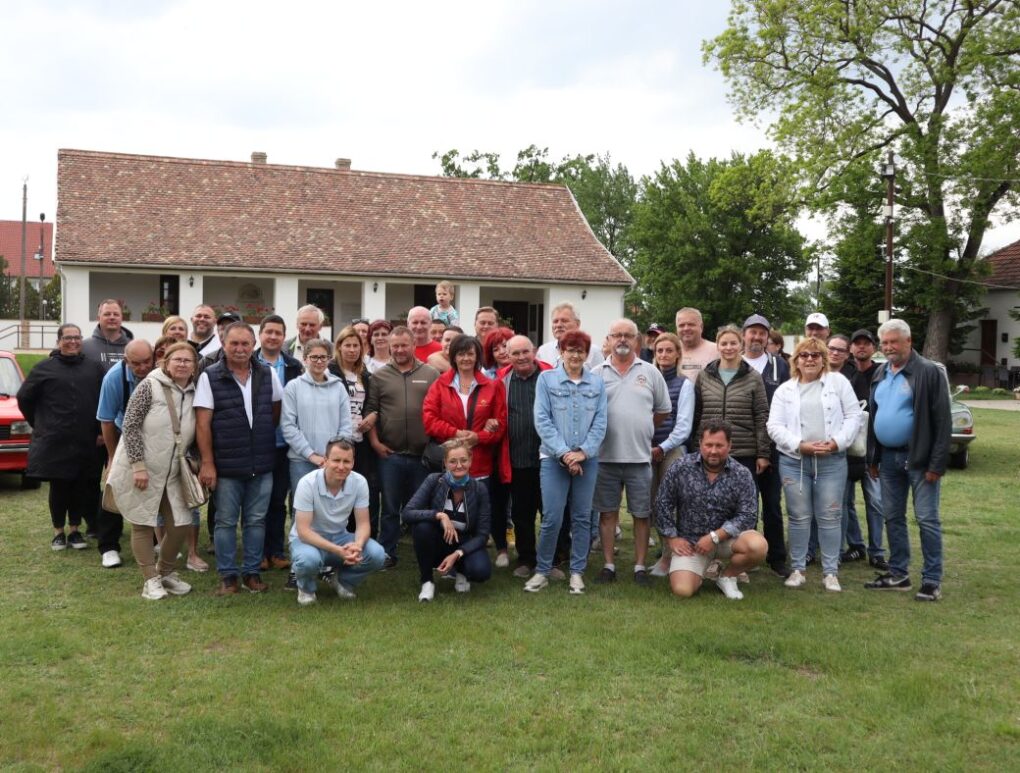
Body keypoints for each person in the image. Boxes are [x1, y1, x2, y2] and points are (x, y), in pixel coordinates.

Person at [104, 343, 199, 600]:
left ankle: (165, 572)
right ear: (165, 362)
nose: (182, 364)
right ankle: (150, 580)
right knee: (143, 523)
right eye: (177, 360)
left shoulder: (194, 391)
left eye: (187, 360)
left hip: (173, 472)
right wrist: (138, 466)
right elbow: (131, 425)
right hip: (142, 469)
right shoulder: (149, 385)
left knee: (181, 523)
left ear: (194, 365)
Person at [195, 322, 284, 595]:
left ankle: (252, 573)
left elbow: (275, 411)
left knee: (256, 521)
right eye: (234, 343)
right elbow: (202, 424)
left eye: (245, 343)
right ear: (223, 345)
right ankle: (228, 577)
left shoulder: (268, 373)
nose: (240, 348)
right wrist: (208, 463)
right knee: (225, 521)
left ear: (253, 345)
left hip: (261, 463)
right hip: (226, 465)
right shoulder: (209, 376)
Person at [865, 319, 950, 601]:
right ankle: (898, 574)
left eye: (894, 341)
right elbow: (874, 417)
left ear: (909, 341)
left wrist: (936, 464)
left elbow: (942, 420)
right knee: (892, 517)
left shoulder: (928, 371)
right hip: (888, 458)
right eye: (885, 342)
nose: (889, 347)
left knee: (926, 519)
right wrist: (873, 458)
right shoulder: (881, 372)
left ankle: (932, 580)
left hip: (919, 459)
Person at [767, 337, 862, 592]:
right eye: (804, 355)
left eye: (815, 355)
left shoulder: (838, 382)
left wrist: (837, 442)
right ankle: (798, 569)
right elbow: (774, 426)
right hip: (794, 461)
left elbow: (854, 416)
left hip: (832, 460)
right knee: (798, 516)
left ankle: (831, 572)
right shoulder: (784, 390)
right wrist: (799, 445)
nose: (810, 359)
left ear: (823, 360)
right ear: (796, 360)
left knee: (830, 515)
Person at [592, 319, 672, 586]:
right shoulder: (596, 373)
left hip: (639, 457)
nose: (622, 339)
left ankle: (639, 567)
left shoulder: (650, 372)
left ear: (636, 340)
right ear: (609, 339)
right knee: (607, 514)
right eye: (617, 335)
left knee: (641, 514)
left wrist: (643, 426)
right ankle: (608, 565)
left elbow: (663, 410)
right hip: (605, 457)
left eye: (628, 335)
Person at [527, 330, 607, 594]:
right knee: (552, 517)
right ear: (561, 352)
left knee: (582, 517)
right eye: (570, 350)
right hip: (553, 459)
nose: (575, 355)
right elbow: (542, 420)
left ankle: (577, 572)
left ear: (587, 354)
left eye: (580, 350)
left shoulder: (597, 384)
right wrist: (564, 454)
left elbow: (600, 422)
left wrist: (583, 452)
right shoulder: (546, 380)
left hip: (587, 460)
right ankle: (542, 571)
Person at [655, 419, 768, 600]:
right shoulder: (680, 467)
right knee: (683, 590)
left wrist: (715, 537)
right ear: (700, 443)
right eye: (708, 445)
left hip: (727, 540)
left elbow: (748, 515)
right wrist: (672, 538)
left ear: (729, 445)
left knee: (758, 546)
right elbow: (662, 503)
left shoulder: (742, 473)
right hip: (692, 543)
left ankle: (727, 576)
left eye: (719, 445)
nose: (713, 451)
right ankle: (703, 570)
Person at [18, 324, 106, 550]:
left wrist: (100, 431)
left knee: (80, 485)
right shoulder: (44, 368)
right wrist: (39, 423)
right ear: (59, 341)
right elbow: (24, 398)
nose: (73, 342)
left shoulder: (94, 368)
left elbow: (103, 401)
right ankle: (58, 532)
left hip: (85, 439)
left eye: (77, 337)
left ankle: (75, 530)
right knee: (59, 487)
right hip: (56, 440)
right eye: (68, 338)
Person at [422, 334, 507, 562]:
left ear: (478, 356)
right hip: (451, 461)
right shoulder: (440, 384)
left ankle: (474, 553)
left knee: (478, 512)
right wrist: (456, 434)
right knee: (451, 510)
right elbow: (429, 419)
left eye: (470, 353)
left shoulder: (492, 385)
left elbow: (500, 425)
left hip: (480, 462)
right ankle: (448, 554)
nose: (466, 358)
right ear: (453, 357)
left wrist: (479, 437)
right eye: (461, 354)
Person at [364, 326, 440, 567]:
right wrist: (375, 443)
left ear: (413, 345)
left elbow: (439, 408)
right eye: (394, 346)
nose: (399, 350)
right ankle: (387, 552)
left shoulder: (430, 373)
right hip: (390, 454)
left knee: (421, 507)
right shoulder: (379, 376)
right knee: (390, 508)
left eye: (403, 345)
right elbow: (371, 411)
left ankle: (425, 551)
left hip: (423, 455)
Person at [289, 438, 386, 606]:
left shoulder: (359, 482)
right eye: (336, 460)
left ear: (353, 462)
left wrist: (357, 545)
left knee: (377, 555)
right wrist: (338, 551)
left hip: (340, 537)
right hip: (308, 540)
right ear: (325, 461)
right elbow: (303, 532)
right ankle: (306, 589)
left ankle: (342, 581)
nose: (341, 466)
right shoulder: (307, 483)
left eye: (346, 461)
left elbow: (363, 524)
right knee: (307, 561)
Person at [403, 439, 492, 601]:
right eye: (453, 461)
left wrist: (458, 553)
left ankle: (462, 572)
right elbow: (408, 513)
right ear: (445, 463)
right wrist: (440, 515)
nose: (459, 466)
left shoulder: (480, 489)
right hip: (439, 540)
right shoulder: (433, 480)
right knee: (422, 528)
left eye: (463, 460)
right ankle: (427, 581)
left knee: (481, 571)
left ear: (470, 461)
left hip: (464, 544)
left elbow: (483, 534)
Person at [95, 339, 155, 569]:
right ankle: (108, 546)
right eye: (136, 363)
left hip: (153, 437)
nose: (143, 367)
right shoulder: (113, 378)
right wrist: (112, 456)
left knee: (153, 487)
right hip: (121, 435)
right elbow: (106, 420)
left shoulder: (159, 372)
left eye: (147, 361)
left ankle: (155, 540)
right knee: (116, 487)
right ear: (126, 360)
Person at [741, 314, 792, 577]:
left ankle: (777, 557)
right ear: (744, 335)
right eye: (753, 332)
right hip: (742, 445)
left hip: (772, 446)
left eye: (762, 333)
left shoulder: (779, 366)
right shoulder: (734, 362)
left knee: (772, 503)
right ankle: (746, 555)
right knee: (745, 504)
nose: (757, 337)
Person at [497, 335, 552, 577]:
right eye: (515, 353)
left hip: (550, 457)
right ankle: (526, 559)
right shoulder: (502, 381)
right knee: (522, 513)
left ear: (534, 351)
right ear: (508, 356)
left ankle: (554, 558)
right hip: (517, 458)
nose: (521, 357)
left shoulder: (550, 376)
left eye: (525, 352)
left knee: (551, 511)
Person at [256, 315, 303, 574]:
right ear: (260, 335)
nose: (273, 337)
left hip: (285, 443)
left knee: (278, 500)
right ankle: (259, 553)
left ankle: (276, 551)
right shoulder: (250, 362)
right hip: (258, 443)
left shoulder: (294, 366)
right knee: (258, 501)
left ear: (284, 337)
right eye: (269, 332)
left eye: (278, 333)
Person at [692, 325, 771, 478]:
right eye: (724, 343)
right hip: (709, 452)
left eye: (733, 343)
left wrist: (763, 454)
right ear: (718, 346)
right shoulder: (704, 376)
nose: (728, 348)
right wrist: (695, 445)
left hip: (743, 452)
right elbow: (696, 414)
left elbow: (761, 416)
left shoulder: (753, 377)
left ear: (741, 345)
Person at [647, 332, 695, 577]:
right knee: (653, 504)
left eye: (669, 350)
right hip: (646, 449)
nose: (664, 355)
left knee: (671, 504)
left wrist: (663, 447)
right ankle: (664, 552)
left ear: (678, 354)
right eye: (660, 351)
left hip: (671, 450)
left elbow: (683, 425)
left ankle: (670, 558)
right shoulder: (647, 380)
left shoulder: (684, 384)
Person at [282, 338, 353, 488]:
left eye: (323, 357)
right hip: (301, 461)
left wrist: (334, 456)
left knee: (331, 502)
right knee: (303, 502)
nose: (319, 361)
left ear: (329, 359)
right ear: (305, 359)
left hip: (333, 462)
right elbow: (288, 426)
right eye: (314, 357)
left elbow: (346, 425)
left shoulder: (339, 387)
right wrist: (311, 455)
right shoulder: (293, 387)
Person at [329, 326, 380, 535]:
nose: (352, 350)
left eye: (356, 346)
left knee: (361, 488)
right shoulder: (330, 372)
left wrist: (373, 414)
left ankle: (362, 534)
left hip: (361, 440)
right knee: (337, 487)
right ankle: (336, 535)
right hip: (337, 439)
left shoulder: (364, 375)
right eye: (347, 345)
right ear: (339, 347)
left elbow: (373, 403)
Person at [844, 329, 886, 570]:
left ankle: (877, 552)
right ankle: (856, 545)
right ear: (851, 348)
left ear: (874, 348)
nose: (861, 347)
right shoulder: (846, 377)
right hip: (848, 451)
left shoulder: (882, 375)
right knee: (845, 503)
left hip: (873, 452)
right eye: (857, 343)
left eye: (866, 343)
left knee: (876, 503)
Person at [536, 302, 602, 369]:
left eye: (564, 321)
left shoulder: (593, 352)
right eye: (555, 321)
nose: (558, 325)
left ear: (577, 324)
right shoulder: (543, 351)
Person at [82, 299, 134, 370]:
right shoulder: (84, 347)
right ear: (98, 318)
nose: (112, 317)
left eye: (116, 314)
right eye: (107, 314)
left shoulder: (133, 347)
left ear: (121, 318)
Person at [674, 307, 718, 376]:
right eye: (681, 325)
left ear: (701, 327)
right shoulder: (669, 350)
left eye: (691, 324)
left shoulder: (717, 350)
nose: (686, 328)